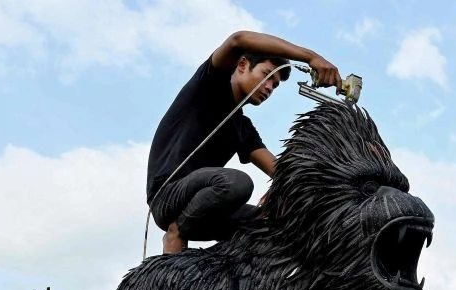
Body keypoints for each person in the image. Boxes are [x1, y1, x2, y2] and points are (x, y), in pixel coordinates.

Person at [147, 31, 343, 254]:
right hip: (168, 197)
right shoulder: (209, 85)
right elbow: (237, 40)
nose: (270, 87)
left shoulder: (242, 127)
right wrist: (311, 57)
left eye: (275, 85)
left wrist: (295, 184)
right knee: (238, 183)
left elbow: (281, 172)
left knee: (275, 224)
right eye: (267, 75)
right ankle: (177, 233)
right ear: (242, 65)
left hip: (206, 212)